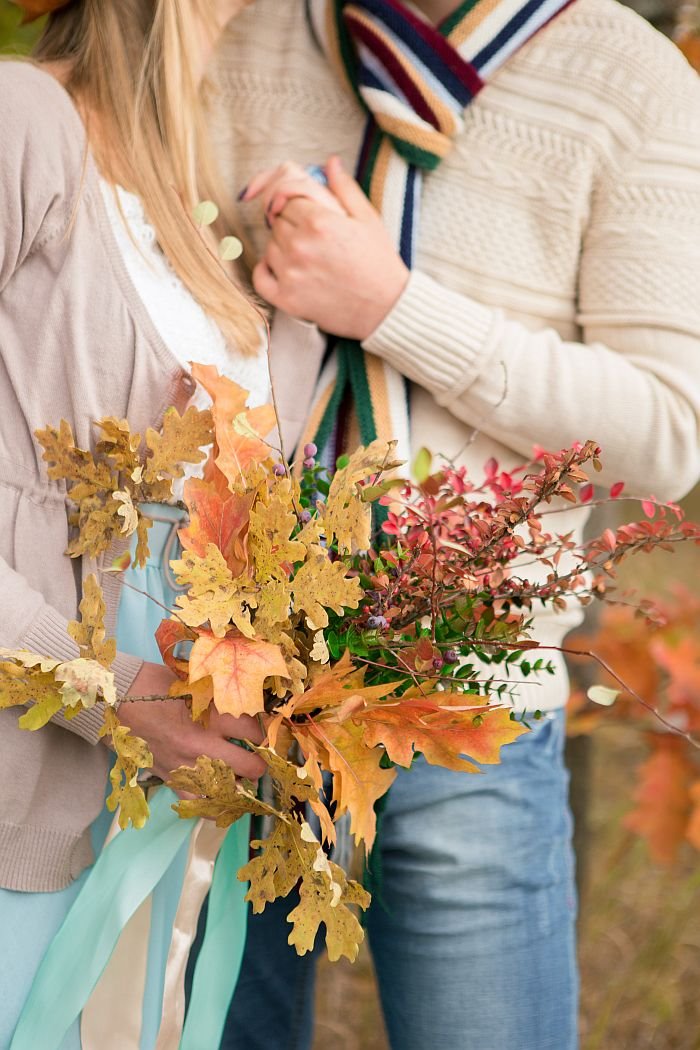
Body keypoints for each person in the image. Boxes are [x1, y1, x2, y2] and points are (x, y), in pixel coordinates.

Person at [211, 1, 700, 1047]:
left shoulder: (632, 78)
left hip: (464, 694)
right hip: (222, 680)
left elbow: (665, 437)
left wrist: (391, 306)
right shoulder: (238, 29)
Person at [0, 1, 271, 1046]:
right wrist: (111, 694)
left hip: (153, 808)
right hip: (29, 773)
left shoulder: (197, 205)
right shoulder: (25, 119)